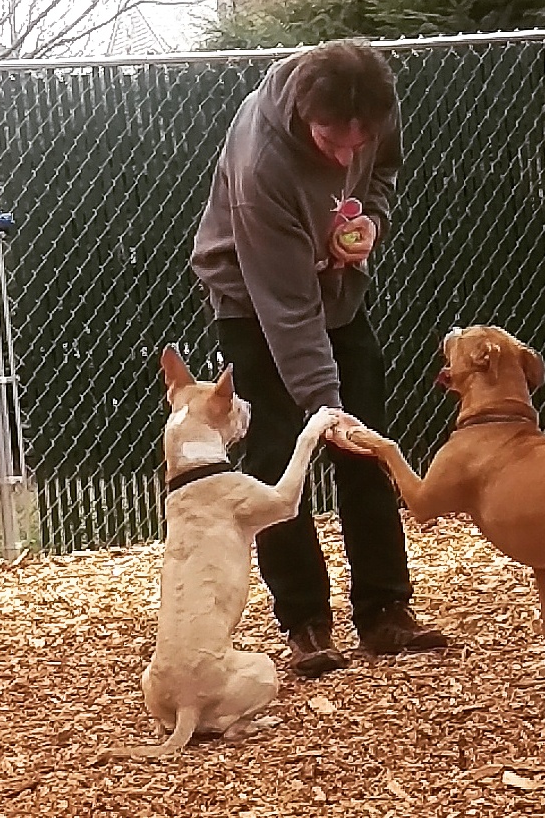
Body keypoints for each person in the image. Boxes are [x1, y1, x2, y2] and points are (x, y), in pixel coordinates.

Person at [190, 39, 447, 678]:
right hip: (254, 304)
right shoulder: (262, 166)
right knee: (281, 459)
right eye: (333, 143)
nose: (346, 157)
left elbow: (381, 174)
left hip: (335, 293)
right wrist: (324, 406)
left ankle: (385, 609)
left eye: (359, 143)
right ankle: (305, 620)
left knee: (366, 446)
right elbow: (286, 309)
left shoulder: (371, 109)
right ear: (308, 115)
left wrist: (371, 222)